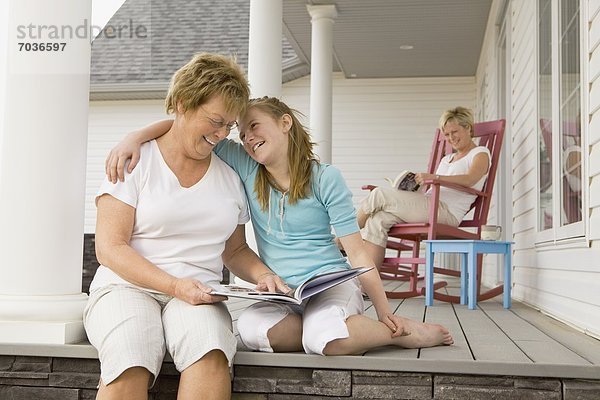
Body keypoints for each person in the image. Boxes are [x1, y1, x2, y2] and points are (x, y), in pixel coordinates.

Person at [105, 96, 454, 357]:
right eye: (242, 133)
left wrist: (383, 308)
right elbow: (188, 128)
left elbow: (358, 250)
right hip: (284, 293)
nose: (247, 138)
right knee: (253, 332)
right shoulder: (245, 165)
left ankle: (399, 333)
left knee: (325, 341)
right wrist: (134, 137)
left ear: (285, 123)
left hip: (328, 285)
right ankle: (321, 328)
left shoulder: (325, 178)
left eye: (254, 126)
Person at [85, 54, 288, 400]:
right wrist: (174, 285)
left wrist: (263, 275)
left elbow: (235, 250)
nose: (222, 134)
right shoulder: (135, 161)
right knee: (130, 356)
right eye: (215, 121)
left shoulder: (230, 175)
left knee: (210, 354)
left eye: (229, 125)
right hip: (126, 287)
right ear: (182, 104)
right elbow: (109, 248)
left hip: (199, 294)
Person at [357, 106, 491, 268]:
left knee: (379, 194)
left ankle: (343, 238)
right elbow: (436, 187)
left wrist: (434, 177)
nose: (451, 138)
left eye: (454, 132)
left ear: (468, 128)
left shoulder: (480, 153)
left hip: (446, 213)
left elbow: (470, 179)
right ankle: (368, 288)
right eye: (447, 134)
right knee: (377, 220)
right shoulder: (447, 159)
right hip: (429, 205)